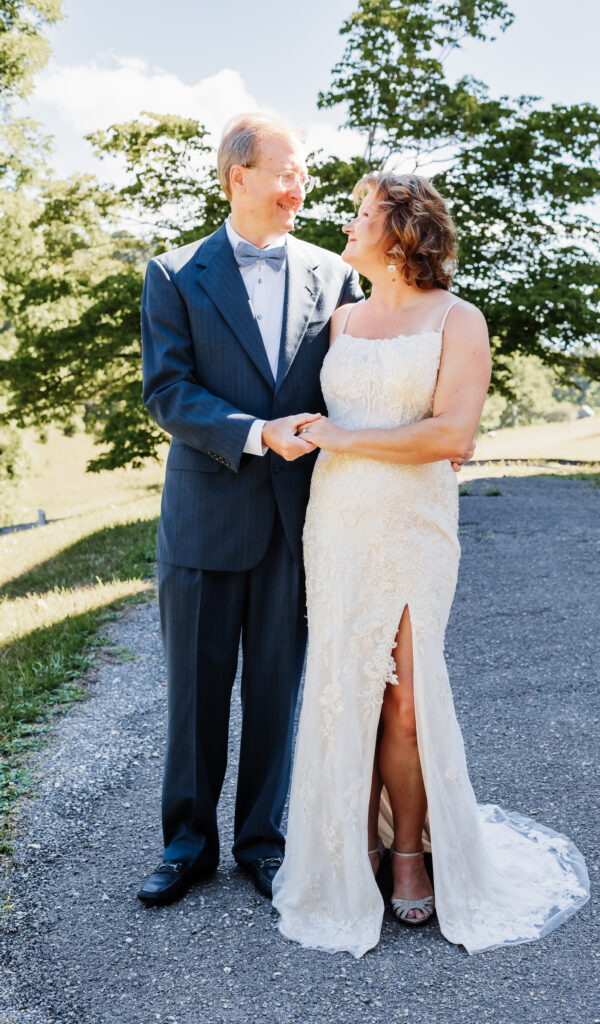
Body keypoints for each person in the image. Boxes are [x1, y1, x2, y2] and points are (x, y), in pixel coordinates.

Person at [272, 171, 590, 956]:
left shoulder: (459, 319)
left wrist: (339, 437)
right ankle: (357, 851)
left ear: (402, 229)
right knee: (350, 692)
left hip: (414, 525)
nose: (346, 224)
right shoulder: (341, 323)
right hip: (339, 521)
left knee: (408, 703)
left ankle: (411, 852)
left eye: (360, 213)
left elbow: (450, 437)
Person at [135, 112, 368, 905]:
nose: (298, 185)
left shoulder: (334, 276)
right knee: (194, 696)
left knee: (278, 690)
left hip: (297, 520)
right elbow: (165, 392)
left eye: (301, 171)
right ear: (240, 177)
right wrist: (256, 433)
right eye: (287, 170)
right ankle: (186, 845)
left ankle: (263, 843)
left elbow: (358, 384)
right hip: (202, 519)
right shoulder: (173, 273)